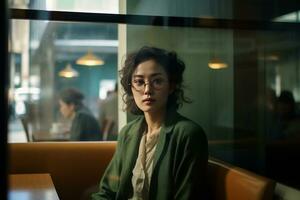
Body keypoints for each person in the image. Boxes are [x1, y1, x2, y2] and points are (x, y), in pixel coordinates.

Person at [91, 46, 208, 199]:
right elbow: (107, 192)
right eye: (139, 82)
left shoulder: (188, 134)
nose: (147, 90)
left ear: (171, 86)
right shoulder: (128, 132)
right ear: (131, 88)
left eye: (157, 81)